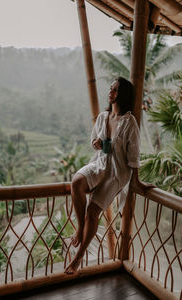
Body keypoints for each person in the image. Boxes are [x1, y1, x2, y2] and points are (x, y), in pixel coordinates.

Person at [64, 77, 155, 274]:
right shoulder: (103, 117)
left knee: (93, 211)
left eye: (115, 90)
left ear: (122, 95)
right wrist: (96, 143)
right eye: (111, 89)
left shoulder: (130, 122)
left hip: (117, 173)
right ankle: (80, 228)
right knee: (76, 182)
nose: (110, 92)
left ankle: (78, 257)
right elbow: (93, 140)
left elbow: (133, 156)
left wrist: (136, 181)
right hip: (99, 163)